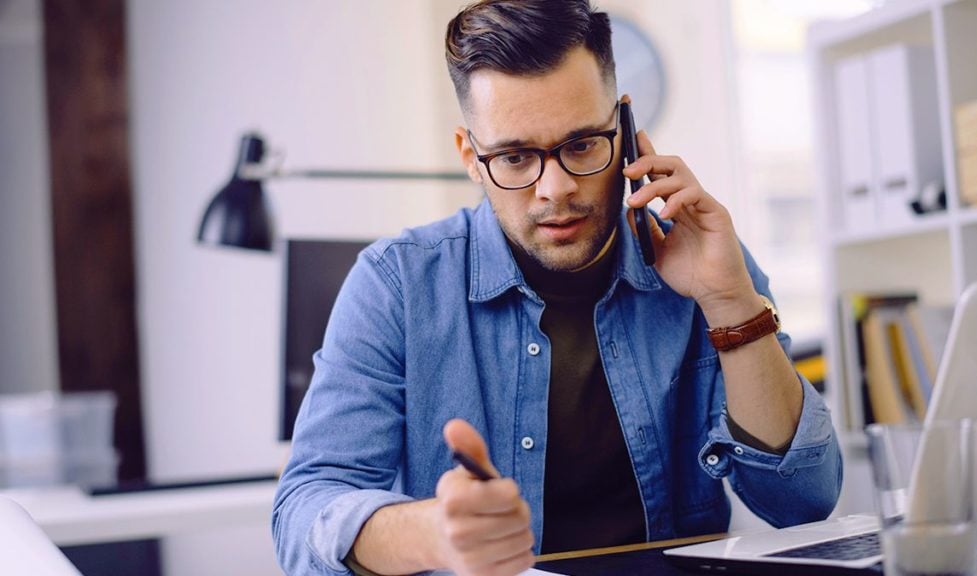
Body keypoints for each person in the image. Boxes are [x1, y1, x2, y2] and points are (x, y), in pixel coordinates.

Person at [272, 1, 842, 575]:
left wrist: (730, 303)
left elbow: (804, 502)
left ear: (623, 129)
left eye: (581, 145)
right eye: (516, 157)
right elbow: (303, 514)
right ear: (471, 156)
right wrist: (428, 533)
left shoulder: (707, 260)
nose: (555, 188)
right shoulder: (396, 284)